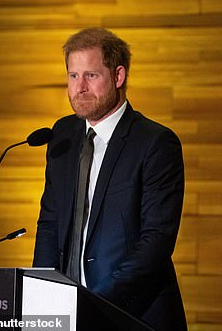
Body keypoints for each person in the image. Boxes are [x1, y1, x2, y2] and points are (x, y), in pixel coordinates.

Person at [33, 27, 187, 330]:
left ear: (118, 76)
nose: (79, 88)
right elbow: (50, 224)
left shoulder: (155, 143)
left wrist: (95, 304)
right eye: (73, 76)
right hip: (67, 316)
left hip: (132, 314)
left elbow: (156, 241)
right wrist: (42, 296)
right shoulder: (61, 136)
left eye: (91, 75)